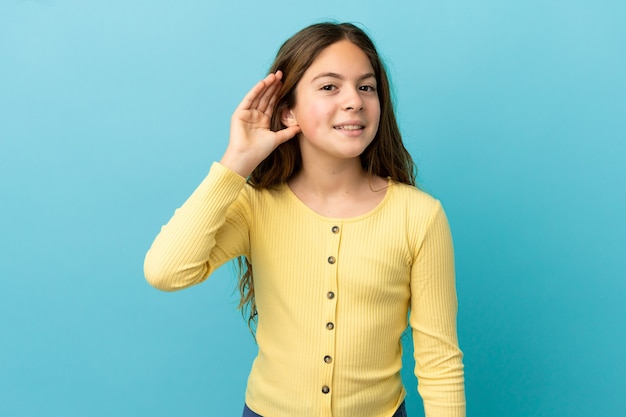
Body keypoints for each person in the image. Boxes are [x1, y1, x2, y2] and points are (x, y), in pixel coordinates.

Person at [144, 22, 465, 417]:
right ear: (287, 110)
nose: (354, 101)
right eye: (330, 86)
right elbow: (166, 271)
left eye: (366, 87)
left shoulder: (419, 215)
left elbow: (439, 360)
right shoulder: (254, 206)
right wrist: (236, 163)